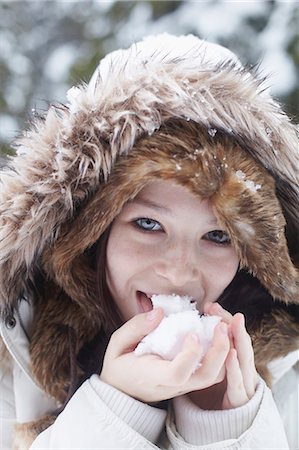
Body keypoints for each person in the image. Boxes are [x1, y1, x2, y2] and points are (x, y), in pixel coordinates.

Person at [0, 33, 298, 450]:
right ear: (91, 232)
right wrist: (118, 410)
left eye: (217, 235)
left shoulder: (289, 380)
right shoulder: (11, 361)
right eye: (148, 224)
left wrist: (226, 428)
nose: (178, 271)